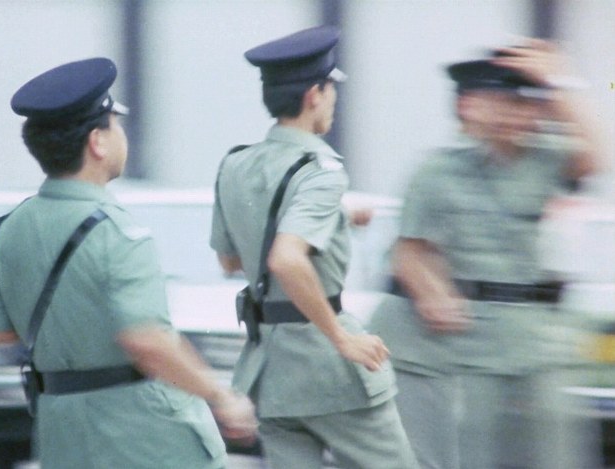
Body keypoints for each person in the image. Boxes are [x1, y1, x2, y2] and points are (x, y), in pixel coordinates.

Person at [0, 57, 257, 469]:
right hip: (144, 437)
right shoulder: (118, 232)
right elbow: (147, 340)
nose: (122, 135)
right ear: (97, 143)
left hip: (62, 432)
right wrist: (221, 397)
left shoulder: (9, 230)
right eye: (115, 125)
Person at [367, 39, 605, 469]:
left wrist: (560, 82)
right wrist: (430, 291)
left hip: (536, 343)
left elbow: (596, 157)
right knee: (473, 451)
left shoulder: (543, 159)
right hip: (470, 347)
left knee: (554, 452)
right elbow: (409, 250)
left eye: (521, 103)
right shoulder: (436, 172)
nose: (512, 115)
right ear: (468, 109)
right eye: (499, 104)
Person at [210, 26, 419, 469]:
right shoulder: (321, 171)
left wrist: (336, 218)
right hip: (327, 368)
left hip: (271, 372)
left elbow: (231, 260)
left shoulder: (234, 164)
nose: (334, 101)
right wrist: (342, 338)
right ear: (314, 95)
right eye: (331, 89)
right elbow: (286, 258)